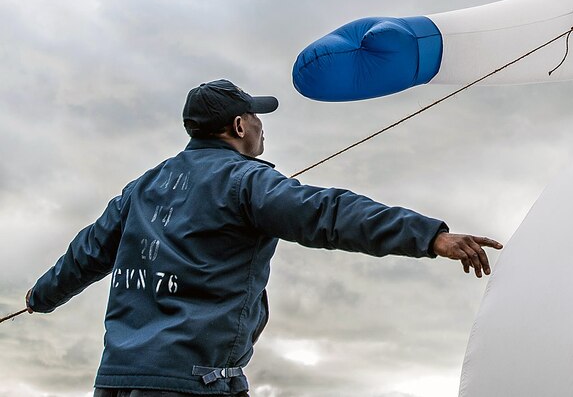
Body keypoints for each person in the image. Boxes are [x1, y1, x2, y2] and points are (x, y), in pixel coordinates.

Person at [25, 79, 502, 396]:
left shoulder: (142, 187)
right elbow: (327, 213)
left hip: (115, 383)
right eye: (256, 117)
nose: (260, 125)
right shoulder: (248, 182)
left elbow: (83, 256)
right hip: (193, 384)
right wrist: (428, 236)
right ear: (238, 126)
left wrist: (37, 298)